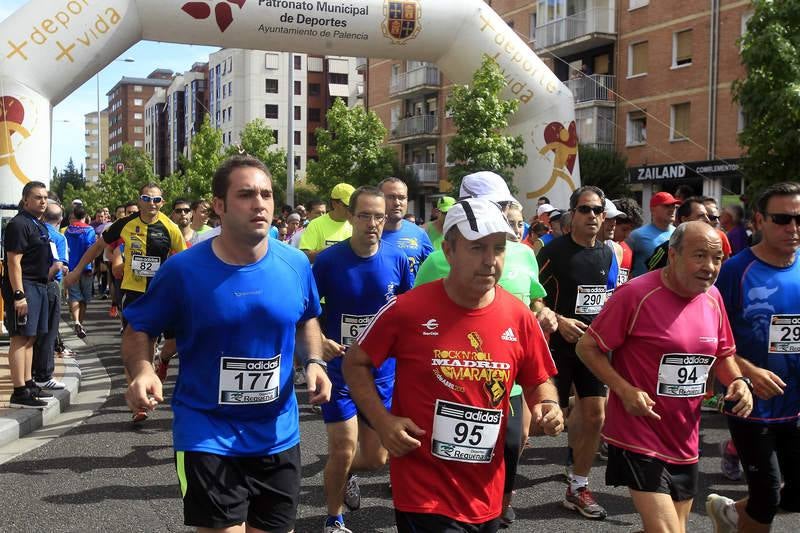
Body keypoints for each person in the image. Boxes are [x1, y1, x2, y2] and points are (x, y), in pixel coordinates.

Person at [122, 155, 331, 533]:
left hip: (278, 433)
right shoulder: (183, 271)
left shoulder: (296, 264)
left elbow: (307, 318)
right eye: (246, 194)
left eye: (266, 194)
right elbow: (138, 327)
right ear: (219, 206)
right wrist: (141, 370)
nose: (260, 203)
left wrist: (314, 361)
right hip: (207, 433)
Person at [343, 198, 563, 533]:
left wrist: (548, 405)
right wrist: (382, 422)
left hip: (486, 490)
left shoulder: (519, 316)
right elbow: (355, 362)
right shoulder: (407, 309)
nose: (490, 261)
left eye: (498, 248)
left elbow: (537, 379)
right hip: (423, 490)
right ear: (448, 251)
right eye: (477, 248)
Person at [576, 221, 753, 533]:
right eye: (699, 256)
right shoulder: (636, 293)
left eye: (717, 259)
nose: (709, 267)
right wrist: (624, 389)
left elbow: (723, 353)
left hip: (685, 437)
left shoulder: (712, 298)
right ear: (673, 255)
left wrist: (739, 381)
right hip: (639, 432)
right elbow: (588, 347)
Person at [314, 186, 412, 533]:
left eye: (379, 217)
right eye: (365, 215)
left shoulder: (397, 261)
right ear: (351, 217)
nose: (372, 223)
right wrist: (319, 340)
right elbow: (307, 310)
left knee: (375, 457)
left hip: (380, 374)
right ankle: (333, 518)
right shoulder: (327, 262)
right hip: (339, 371)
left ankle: (346, 474)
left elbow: (406, 313)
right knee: (342, 447)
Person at [706, 182, 800, 533]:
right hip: (752, 402)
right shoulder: (733, 271)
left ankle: (730, 514)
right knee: (765, 498)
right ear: (759, 220)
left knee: (795, 495)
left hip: (796, 400)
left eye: (799, 219)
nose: (793, 227)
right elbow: (709, 337)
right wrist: (746, 370)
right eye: (782, 219)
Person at [65, 183, 187, 422]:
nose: (152, 203)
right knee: (139, 343)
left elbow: (184, 261)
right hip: (134, 293)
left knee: (171, 345)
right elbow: (97, 247)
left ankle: (161, 362)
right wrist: (78, 270)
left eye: (157, 200)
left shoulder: (170, 228)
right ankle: (138, 402)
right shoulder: (125, 224)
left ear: (162, 203)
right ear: (139, 201)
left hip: (162, 292)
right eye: (146, 198)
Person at [536, 185, 618, 520]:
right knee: (540, 423)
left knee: (596, 415)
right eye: (585, 210)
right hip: (556, 345)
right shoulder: (552, 251)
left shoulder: (609, 254)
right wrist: (557, 318)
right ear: (572, 215)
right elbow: (532, 298)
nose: (593, 216)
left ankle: (578, 486)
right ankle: (499, 475)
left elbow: (611, 298)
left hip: (592, 348)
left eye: (598, 210)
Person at [1, 181, 56, 408]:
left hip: (40, 286)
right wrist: (18, 294)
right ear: (26, 200)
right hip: (26, 286)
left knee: (31, 337)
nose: (43, 201)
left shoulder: (39, 225)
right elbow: (13, 261)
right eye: (37, 197)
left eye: (45, 197)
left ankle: (28, 383)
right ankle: (19, 391)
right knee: (20, 337)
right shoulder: (19, 224)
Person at [32, 201, 68, 391]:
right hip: (49, 285)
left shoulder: (34, 230)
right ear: (61, 219)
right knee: (48, 331)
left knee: (33, 332)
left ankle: (30, 372)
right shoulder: (58, 237)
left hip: (30, 285)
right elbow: (59, 265)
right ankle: (44, 374)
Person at [378, 177, 433, 283]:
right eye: (391, 197)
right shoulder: (368, 232)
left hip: (411, 299)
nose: (397, 203)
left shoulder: (419, 233)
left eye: (402, 197)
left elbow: (433, 269)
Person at [645, 196, 711, 271]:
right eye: (701, 216)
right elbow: (651, 275)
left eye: (707, 216)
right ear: (685, 219)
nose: (708, 220)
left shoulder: (713, 247)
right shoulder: (666, 249)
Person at [628, 191, 680, 277]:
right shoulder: (636, 236)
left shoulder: (679, 234)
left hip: (670, 288)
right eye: (667, 206)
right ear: (653, 209)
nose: (672, 210)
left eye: (674, 206)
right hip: (644, 288)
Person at [299, 183, 356, 263]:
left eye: (354, 206)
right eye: (348, 206)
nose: (352, 210)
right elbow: (304, 256)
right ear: (334, 204)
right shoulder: (316, 224)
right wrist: (332, 253)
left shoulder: (357, 224)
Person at [65, 205, 97, 338]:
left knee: (74, 295)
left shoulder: (68, 230)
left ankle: (77, 321)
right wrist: (90, 266)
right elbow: (90, 248)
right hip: (85, 268)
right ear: (85, 216)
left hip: (72, 268)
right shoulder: (89, 230)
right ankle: (81, 324)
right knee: (84, 298)